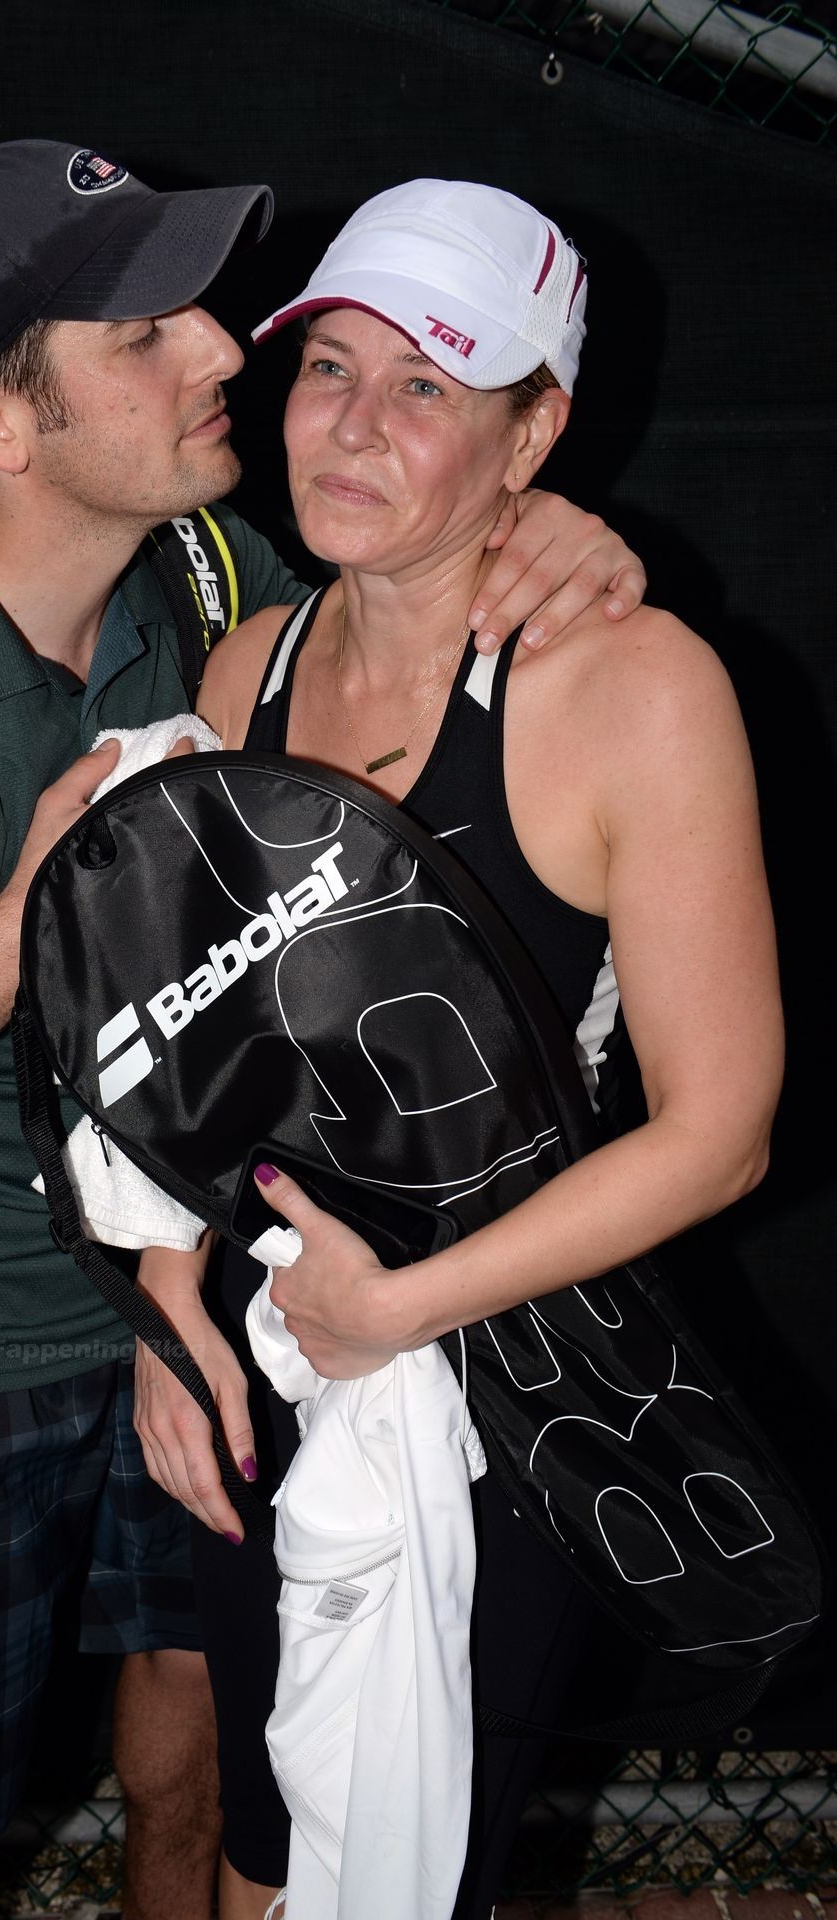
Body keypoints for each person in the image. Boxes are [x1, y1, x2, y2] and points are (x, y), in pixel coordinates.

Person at [0, 142, 650, 1920]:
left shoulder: (210, 575)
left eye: (200, 308)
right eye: (143, 335)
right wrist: (31, 916)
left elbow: (419, 562)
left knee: (201, 1755)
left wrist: (548, 528)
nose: (220, 351)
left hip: (203, 1313)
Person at [131, 179, 784, 1918]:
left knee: (420, 1875)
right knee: (264, 1850)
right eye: (328, 368)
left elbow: (718, 1130)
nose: (352, 426)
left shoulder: (632, 689)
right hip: (266, 1362)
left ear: (534, 432)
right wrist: (167, 1301)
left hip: (500, 1386)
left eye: (425, 385)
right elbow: (189, 1050)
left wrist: (401, 1308)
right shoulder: (246, 669)